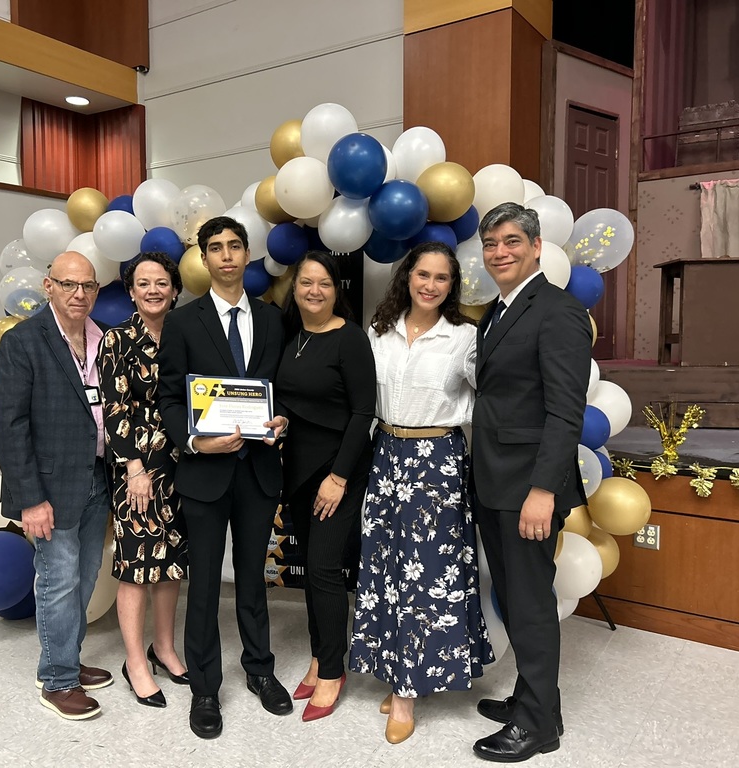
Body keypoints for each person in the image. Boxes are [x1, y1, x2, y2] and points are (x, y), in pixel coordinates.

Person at [349, 241, 495, 745]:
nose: (430, 284)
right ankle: (401, 671)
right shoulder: (379, 331)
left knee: (427, 577)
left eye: (441, 278)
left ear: (452, 286)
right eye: (423, 274)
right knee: (388, 574)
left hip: (437, 463)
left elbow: (492, 396)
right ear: (407, 277)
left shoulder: (465, 338)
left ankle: (407, 694)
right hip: (385, 456)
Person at [157, 215, 292, 740]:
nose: (227, 256)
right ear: (205, 258)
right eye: (216, 248)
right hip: (205, 471)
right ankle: (206, 687)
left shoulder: (272, 318)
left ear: (247, 254)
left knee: (255, 577)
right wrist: (194, 441)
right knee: (207, 582)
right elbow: (170, 397)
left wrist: (281, 421)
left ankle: (260, 670)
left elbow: (279, 389)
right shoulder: (184, 322)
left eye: (236, 246)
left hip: (258, 470)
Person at [471, 202, 591, 763]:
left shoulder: (558, 310)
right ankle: (535, 700)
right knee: (516, 601)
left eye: (512, 241)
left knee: (531, 603)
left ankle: (538, 726)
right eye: (491, 243)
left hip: (528, 488)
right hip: (495, 480)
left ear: (537, 246)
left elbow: (567, 413)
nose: (501, 252)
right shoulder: (497, 311)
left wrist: (543, 491)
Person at [0, 251, 113, 721]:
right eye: (68, 285)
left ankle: (68, 659)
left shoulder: (101, 339)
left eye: (87, 286)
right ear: (48, 287)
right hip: (48, 490)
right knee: (58, 582)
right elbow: (9, 425)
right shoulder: (23, 342)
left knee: (82, 579)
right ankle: (56, 680)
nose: (79, 294)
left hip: (96, 480)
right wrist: (30, 499)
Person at [273, 251, 376, 722]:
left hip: (339, 473)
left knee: (323, 569)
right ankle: (320, 656)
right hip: (297, 469)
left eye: (324, 284)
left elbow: (362, 413)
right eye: (306, 283)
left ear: (337, 290)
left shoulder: (349, 339)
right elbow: (292, 402)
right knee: (311, 574)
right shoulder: (292, 339)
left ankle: (333, 671)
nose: (314, 291)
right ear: (294, 288)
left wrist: (338, 477)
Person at [97, 252, 189, 709]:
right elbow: (113, 410)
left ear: (174, 288)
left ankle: (165, 647)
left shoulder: (186, 331)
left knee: (171, 561)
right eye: (143, 283)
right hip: (136, 471)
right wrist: (133, 469)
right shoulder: (116, 340)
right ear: (131, 291)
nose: (153, 289)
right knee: (136, 565)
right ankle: (135, 661)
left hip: (182, 466)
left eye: (161, 282)